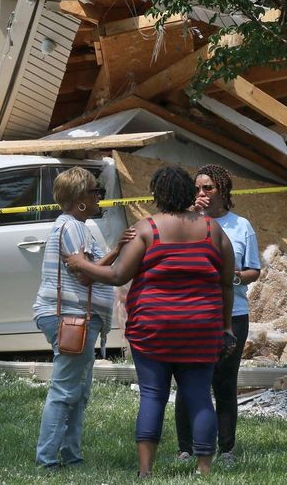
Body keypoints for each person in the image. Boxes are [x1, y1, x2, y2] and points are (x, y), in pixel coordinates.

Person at [67, 166, 235, 477]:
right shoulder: (213, 230)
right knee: (199, 396)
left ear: (157, 196)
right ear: (188, 193)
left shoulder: (148, 229)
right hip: (201, 328)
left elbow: (118, 275)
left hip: (153, 328)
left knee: (153, 396)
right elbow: (227, 283)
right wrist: (225, 327)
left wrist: (81, 264)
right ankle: (204, 469)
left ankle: (145, 471)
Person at [32, 167, 134, 470]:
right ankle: (48, 461)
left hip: (77, 317)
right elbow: (85, 275)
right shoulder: (72, 227)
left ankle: (71, 457)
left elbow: (85, 269)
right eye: (95, 191)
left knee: (78, 392)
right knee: (65, 391)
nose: (100, 196)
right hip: (71, 316)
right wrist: (117, 250)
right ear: (79, 200)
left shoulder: (76, 225)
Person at [175, 164, 261, 468]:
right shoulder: (185, 222)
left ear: (223, 190)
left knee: (224, 383)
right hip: (193, 314)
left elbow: (254, 270)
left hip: (233, 313)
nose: (202, 194)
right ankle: (185, 448)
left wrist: (230, 277)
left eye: (208, 188)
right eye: (197, 188)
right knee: (189, 381)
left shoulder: (241, 226)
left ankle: (226, 449)